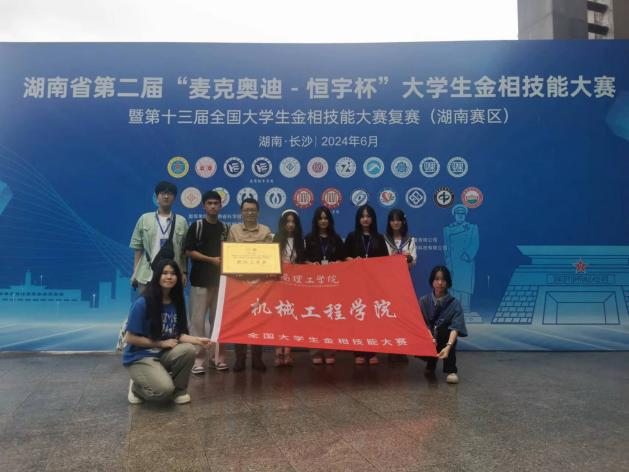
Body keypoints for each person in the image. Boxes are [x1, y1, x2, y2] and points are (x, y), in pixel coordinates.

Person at [123, 259, 212, 404]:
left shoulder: (176, 301)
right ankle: (137, 388)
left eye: (173, 273)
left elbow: (177, 334)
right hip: (140, 357)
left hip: (161, 354)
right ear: (157, 276)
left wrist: (198, 341)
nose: (169, 277)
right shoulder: (143, 303)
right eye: (164, 273)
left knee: (188, 350)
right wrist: (161, 343)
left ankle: (179, 391)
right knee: (163, 391)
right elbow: (130, 338)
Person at [185, 190, 230, 374]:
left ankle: (217, 358)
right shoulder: (197, 226)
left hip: (220, 282)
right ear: (204, 206)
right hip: (200, 282)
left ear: (221, 206)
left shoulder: (225, 228)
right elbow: (188, 251)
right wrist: (211, 260)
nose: (213, 206)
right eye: (209, 203)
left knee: (218, 322)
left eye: (216, 203)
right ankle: (198, 359)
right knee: (197, 322)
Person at [227, 197, 273, 372]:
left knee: (257, 321)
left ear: (258, 212)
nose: (250, 213)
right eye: (246, 210)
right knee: (239, 321)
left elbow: (269, 256)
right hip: (239, 284)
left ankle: (257, 359)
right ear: (241, 212)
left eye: (253, 210)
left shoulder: (265, 230)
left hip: (260, 284)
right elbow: (229, 253)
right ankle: (240, 359)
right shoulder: (234, 230)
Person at [344, 204, 387, 366]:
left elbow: (385, 261)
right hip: (355, 283)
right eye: (362, 216)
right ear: (358, 219)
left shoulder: (379, 238)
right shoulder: (352, 236)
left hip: (373, 284)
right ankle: (358, 351)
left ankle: (372, 351)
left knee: (372, 317)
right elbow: (343, 257)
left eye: (368, 216)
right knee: (358, 316)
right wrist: (352, 260)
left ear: (373, 219)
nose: (365, 219)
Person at [130, 181, 189, 293]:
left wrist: (184, 272)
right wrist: (135, 272)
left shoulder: (182, 221)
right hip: (147, 274)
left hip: (171, 275)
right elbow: (137, 248)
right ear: (157, 197)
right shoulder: (144, 218)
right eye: (162, 193)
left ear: (174, 198)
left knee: (169, 304)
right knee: (146, 304)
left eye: (170, 193)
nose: (166, 196)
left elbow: (184, 252)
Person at [304, 206, 345, 365]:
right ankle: (315, 351)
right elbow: (302, 260)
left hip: (332, 286)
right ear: (316, 220)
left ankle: (330, 351)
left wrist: (337, 263)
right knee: (314, 318)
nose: (323, 221)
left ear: (330, 220)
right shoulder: (309, 238)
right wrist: (310, 264)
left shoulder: (336, 238)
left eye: (326, 218)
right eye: (320, 218)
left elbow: (343, 259)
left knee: (330, 317)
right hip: (314, 286)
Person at [419, 265, 468, 384]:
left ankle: (451, 370)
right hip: (430, 336)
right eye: (437, 279)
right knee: (426, 334)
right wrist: (429, 338)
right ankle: (431, 362)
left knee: (447, 333)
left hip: (445, 337)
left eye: (443, 279)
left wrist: (449, 345)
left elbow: (456, 327)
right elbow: (422, 323)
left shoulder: (455, 303)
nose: (440, 283)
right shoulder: (424, 301)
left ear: (448, 282)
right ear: (432, 281)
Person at [272, 209, 305, 367]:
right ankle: (278, 351)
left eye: (293, 222)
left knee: (291, 316)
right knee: (279, 317)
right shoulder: (276, 238)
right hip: (278, 283)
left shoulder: (301, 241)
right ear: (283, 223)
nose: (290, 225)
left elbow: (302, 262)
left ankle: (288, 352)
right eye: (288, 222)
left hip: (294, 285)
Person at [384, 208, 417, 363]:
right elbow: (380, 261)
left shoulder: (410, 240)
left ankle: (402, 349)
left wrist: (407, 259)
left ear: (403, 221)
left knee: (403, 316)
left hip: (404, 282)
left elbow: (414, 261)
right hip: (387, 283)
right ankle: (391, 348)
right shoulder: (384, 239)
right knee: (389, 315)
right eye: (392, 220)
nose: (395, 222)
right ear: (389, 222)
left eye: (398, 219)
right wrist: (392, 259)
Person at [443, 204, 479, 318]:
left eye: (462, 214)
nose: (460, 216)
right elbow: (446, 246)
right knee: (452, 285)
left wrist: (467, 256)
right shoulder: (447, 229)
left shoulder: (472, 227)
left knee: (465, 286)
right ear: (454, 215)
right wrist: (448, 261)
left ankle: (465, 308)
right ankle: (454, 309)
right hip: (453, 262)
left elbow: (475, 243)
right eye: (458, 214)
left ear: (465, 215)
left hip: (466, 262)